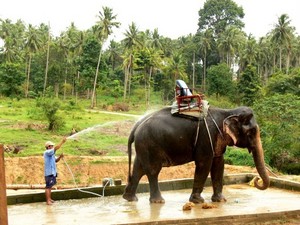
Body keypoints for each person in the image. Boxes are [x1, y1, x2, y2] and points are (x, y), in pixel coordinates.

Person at [43, 137, 67, 205]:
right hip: (49, 173)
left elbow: (56, 160)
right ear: (48, 147)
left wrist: (60, 157)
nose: (53, 146)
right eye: (52, 145)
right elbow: (56, 148)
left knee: (50, 186)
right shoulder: (47, 152)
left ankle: (49, 199)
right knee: (48, 187)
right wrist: (62, 142)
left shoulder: (51, 154)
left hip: (52, 172)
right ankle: (48, 201)